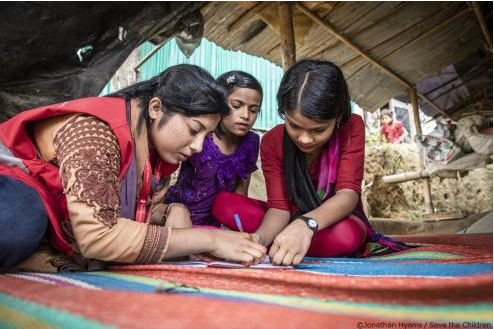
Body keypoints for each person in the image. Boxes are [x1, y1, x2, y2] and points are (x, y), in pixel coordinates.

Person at [0, 64, 266, 273]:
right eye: (193, 130)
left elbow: (123, 211)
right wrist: (209, 240)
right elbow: (98, 235)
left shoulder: (153, 154)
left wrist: (174, 209)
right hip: (10, 185)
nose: (197, 146)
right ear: (155, 108)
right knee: (22, 216)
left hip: (46, 213)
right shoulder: (97, 134)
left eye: (205, 137)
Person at [212, 60, 406, 265]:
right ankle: (284, 243)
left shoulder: (351, 128)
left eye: (318, 130)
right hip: (287, 219)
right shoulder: (272, 141)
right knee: (225, 204)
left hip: (334, 221)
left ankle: (286, 243)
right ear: (283, 113)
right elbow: (279, 209)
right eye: (294, 126)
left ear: (337, 117)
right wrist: (257, 242)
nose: (304, 139)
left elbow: (347, 195)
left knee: (346, 235)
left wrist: (306, 225)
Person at [165, 71, 264, 228]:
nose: (245, 115)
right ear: (220, 103)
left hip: (218, 224)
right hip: (180, 218)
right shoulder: (200, 136)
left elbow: (240, 193)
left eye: (253, 110)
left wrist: (236, 229)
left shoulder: (251, 142)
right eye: (236, 106)